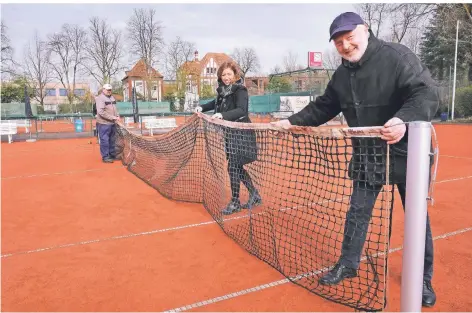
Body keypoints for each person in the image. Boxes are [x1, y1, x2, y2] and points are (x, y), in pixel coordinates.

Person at [272, 12, 438, 307]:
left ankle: (422, 278)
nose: (346, 45)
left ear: (366, 30)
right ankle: (348, 264)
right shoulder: (341, 76)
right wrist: (292, 122)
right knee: (357, 213)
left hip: (407, 153)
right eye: (339, 42)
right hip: (367, 155)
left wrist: (402, 119)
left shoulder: (397, 57)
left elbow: (425, 93)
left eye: (350, 37)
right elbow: (324, 106)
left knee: (416, 218)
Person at [194, 61, 262, 215]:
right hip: (230, 133)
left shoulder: (241, 90)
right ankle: (255, 194)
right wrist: (202, 107)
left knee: (233, 166)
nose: (226, 77)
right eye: (223, 74)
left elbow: (241, 110)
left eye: (229, 74)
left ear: (234, 75)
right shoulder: (222, 91)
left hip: (242, 133)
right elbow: (215, 103)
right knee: (236, 166)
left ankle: (236, 201)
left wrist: (223, 115)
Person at [95, 83, 120, 163]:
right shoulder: (100, 98)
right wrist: (113, 117)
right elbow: (101, 112)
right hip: (103, 124)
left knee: (112, 140)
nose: (109, 91)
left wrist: (117, 115)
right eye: (107, 90)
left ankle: (112, 155)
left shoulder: (112, 97)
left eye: (110, 90)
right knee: (104, 140)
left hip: (112, 123)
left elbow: (115, 108)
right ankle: (105, 157)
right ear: (103, 90)